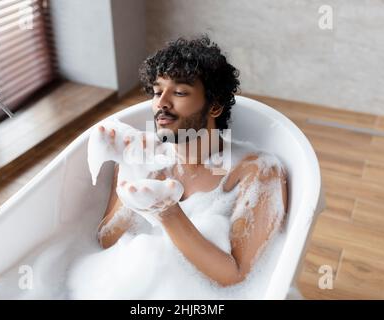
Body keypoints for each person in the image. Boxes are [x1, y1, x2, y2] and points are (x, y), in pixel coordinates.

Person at [96, 35, 288, 287]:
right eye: (157, 91)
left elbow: (236, 275)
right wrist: (132, 176)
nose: (161, 103)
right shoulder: (138, 159)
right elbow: (106, 241)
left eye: (179, 92)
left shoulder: (257, 172)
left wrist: (166, 212)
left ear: (215, 107)